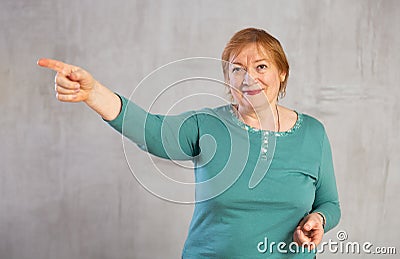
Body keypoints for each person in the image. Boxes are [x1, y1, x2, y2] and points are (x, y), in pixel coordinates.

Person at [38, 28, 340, 258]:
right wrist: (93, 93)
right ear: (228, 79)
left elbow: (330, 204)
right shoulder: (206, 125)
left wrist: (319, 218)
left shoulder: (312, 133)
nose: (250, 78)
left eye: (261, 67)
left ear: (281, 73)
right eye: (238, 69)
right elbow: (150, 131)